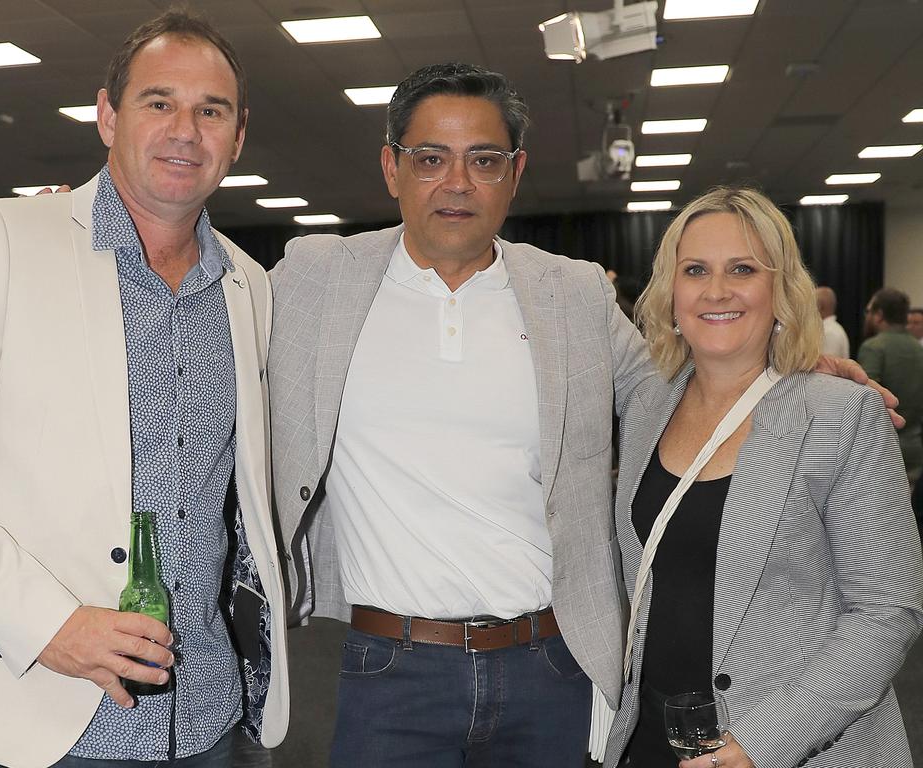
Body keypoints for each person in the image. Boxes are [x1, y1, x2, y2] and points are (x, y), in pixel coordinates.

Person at [267, 64, 886, 766]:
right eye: (430, 159)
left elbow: (672, 381)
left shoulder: (572, 293)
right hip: (391, 672)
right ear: (392, 167)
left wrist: (792, 369)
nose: (457, 182)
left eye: (485, 160)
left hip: (550, 667)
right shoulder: (314, 280)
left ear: (516, 171)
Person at [0, 10, 289, 768]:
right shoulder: (3, 239)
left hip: (207, 716)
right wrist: (46, 625)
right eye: (158, 102)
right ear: (108, 116)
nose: (186, 129)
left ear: (236, 138)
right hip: (43, 714)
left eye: (212, 111)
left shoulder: (251, 287)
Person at [603, 188, 923, 768]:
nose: (717, 290)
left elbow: (887, 612)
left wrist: (762, 742)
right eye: (695, 269)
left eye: (743, 269)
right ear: (671, 292)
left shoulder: (837, 414)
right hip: (654, 734)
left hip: (794, 746)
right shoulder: (648, 406)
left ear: (779, 290)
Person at [859, 288, 923, 487]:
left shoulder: (873, 347)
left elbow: (866, 400)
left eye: (869, 311)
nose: (867, 316)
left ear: (879, 315)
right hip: (915, 447)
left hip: (883, 449)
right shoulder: (918, 348)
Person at [814, 286, 849, 358]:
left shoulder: (829, 332)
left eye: (811, 304)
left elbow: (826, 367)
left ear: (820, 306)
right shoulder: (831, 330)